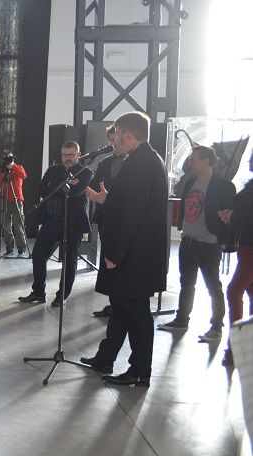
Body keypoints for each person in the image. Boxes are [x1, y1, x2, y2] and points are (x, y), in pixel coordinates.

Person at [80, 111, 168, 387]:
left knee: (137, 313)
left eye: (117, 135)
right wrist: (109, 200)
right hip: (133, 252)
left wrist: (115, 253)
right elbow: (129, 203)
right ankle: (105, 358)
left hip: (134, 255)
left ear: (128, 136)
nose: (114, 139)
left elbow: (133, 215)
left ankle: (139, 371)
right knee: (120, 307)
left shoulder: (142, 163)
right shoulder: (143, 159)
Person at [155, 146, 235, 342]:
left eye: (193, 159)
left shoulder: (224, 186)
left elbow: (229, 216)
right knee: (186, 283)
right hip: (188, 241)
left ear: (206, 161)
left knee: (212, 286)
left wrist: (223, 240)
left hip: (209, 244)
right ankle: (182, 319)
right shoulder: (191, 181)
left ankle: (216, 327)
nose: (190, 163)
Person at [17, 142, 92, 303]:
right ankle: (38, 292)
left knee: (69, 261)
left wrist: (55, 185)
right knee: (38, 255)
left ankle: (61, 296)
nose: (68, 158)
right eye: (65, 155)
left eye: (71, 155)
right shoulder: (53, 170)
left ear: (78, 155)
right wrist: (66, 183)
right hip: (50, 222)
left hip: (72, 225)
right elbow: (41, 190)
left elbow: (76, 192)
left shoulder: (86, 172)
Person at [220, 153, 253, 366]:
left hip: (251, 248)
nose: (249, 162)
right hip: (246, 246)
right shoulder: (250, 187)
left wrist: (232, 216)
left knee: (234, 291)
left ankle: (236, 347)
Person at [89, 126, 126, 318]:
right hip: (105, 217)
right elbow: (94, 186)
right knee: (108, 260)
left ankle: (122, 303)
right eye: (111, 140)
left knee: (122, 262)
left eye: (116, 139)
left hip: (124, 218)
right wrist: (90, 191)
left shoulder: (134, 162)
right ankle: (113, 303)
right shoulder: (104, 163)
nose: (114, 143)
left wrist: (109, 197)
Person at [0, 152, 27, 257]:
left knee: (18, 226)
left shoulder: (18, 168)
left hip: (17, 200)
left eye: (10, 159)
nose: (8, 161)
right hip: (5, 200)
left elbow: (24, 175)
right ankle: (9, 249)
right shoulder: (2, 172)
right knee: (6, 226)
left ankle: (21, 250)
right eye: (6, 159)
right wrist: (3, 179)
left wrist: (13, 167)